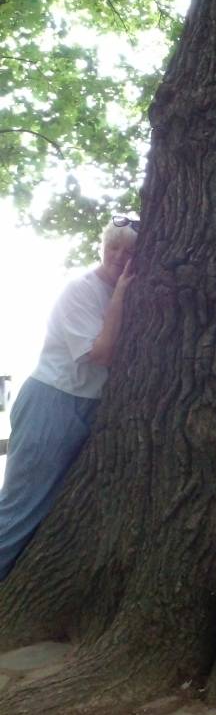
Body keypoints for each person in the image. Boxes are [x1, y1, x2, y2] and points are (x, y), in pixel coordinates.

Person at [0, 217, 138, 581]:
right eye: (113, 248)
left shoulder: (126, 293)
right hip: (53, 400)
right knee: (21, 508)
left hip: (89, 405)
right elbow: (102, 353)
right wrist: (122, 294)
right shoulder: (81, 290)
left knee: (60, 509)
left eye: (129, 252)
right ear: (102, 247)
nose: (119, 257)